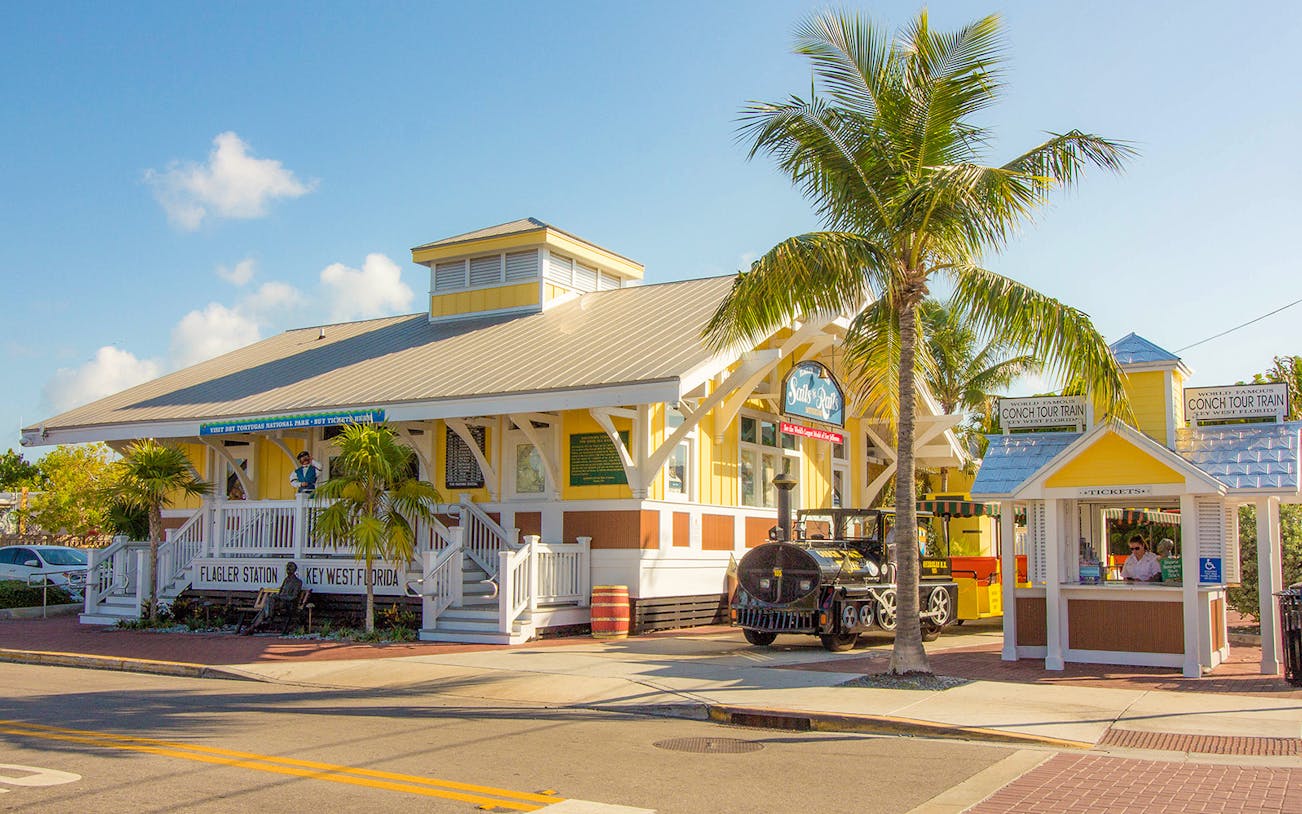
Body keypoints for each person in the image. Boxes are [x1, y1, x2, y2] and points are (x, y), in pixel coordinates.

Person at [240, 562, 303, 634]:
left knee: (269, 602)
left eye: (290, 568)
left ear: (294, 570)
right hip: (278, 603)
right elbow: (280, 591)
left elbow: (293, 597)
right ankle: (261, 622)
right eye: (287, 568)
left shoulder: (297, 582)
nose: (288, 570)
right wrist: (278, 596)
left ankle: (256, 625)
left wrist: (281, 597)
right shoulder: (286, 580)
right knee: (268, 602)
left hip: (288, 604)